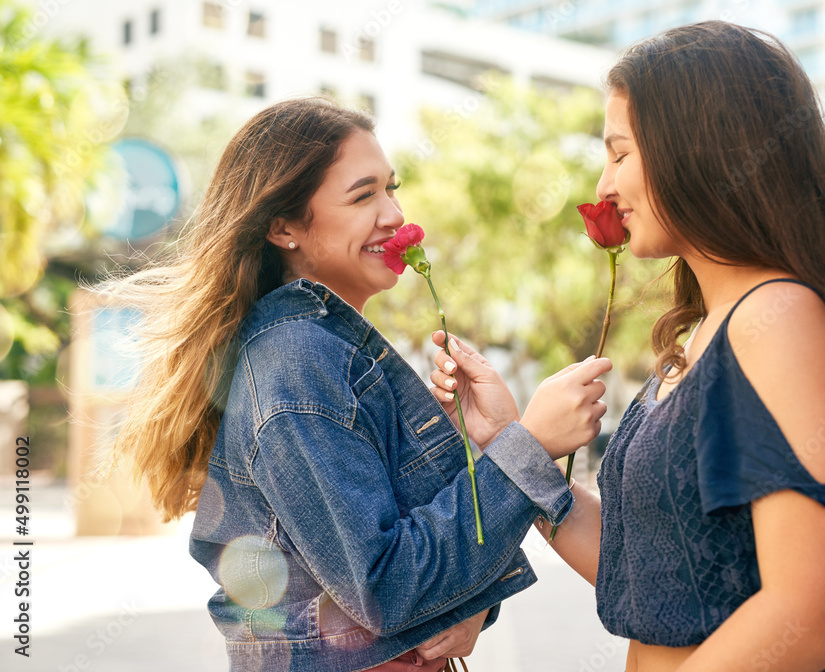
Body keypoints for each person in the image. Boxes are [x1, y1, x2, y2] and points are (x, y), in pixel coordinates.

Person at [429, 22, 825, 672]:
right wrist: (510, 441)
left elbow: (814, 611)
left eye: (618, 153)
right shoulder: (712, 328)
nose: (604, 185)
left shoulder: (777, 317)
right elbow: (647, 573)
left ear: (695, 150)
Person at [99, 97, 612, 671]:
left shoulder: (326, 348)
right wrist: (530, 446)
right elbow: (385, 590)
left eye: (391, 188)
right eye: (363, 194)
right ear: (284, 226)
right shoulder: (298, 358)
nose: (393, 214)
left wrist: (465, 603)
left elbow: (401, 564)